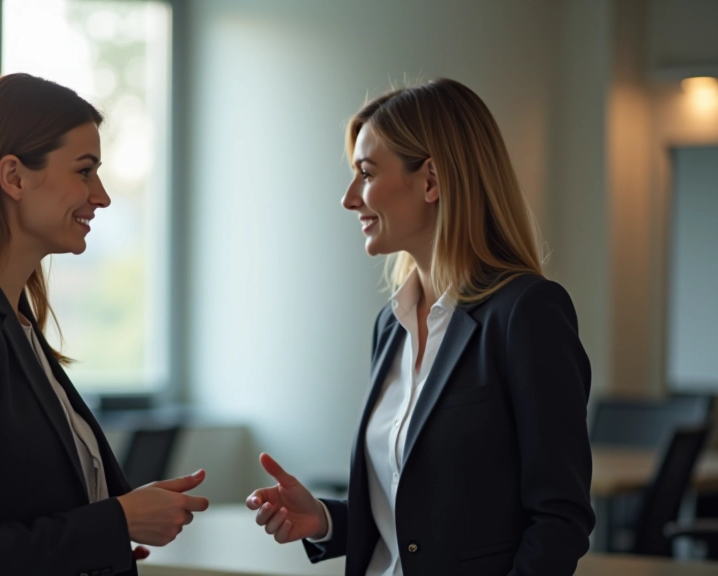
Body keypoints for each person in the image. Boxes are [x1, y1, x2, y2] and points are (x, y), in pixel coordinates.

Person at [246, 78, 595, 576]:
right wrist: (324, 519)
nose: (349, 198)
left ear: (431, 179)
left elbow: (560, 518)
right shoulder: (390, 326)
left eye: (366, 173)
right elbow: (415, 522)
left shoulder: (527, 312)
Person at [0, 73, 208, 576]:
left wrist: (114, 522)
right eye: (84, 171)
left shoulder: (15, 324)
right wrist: (116, 521)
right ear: (13, 177)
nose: (102, 196)